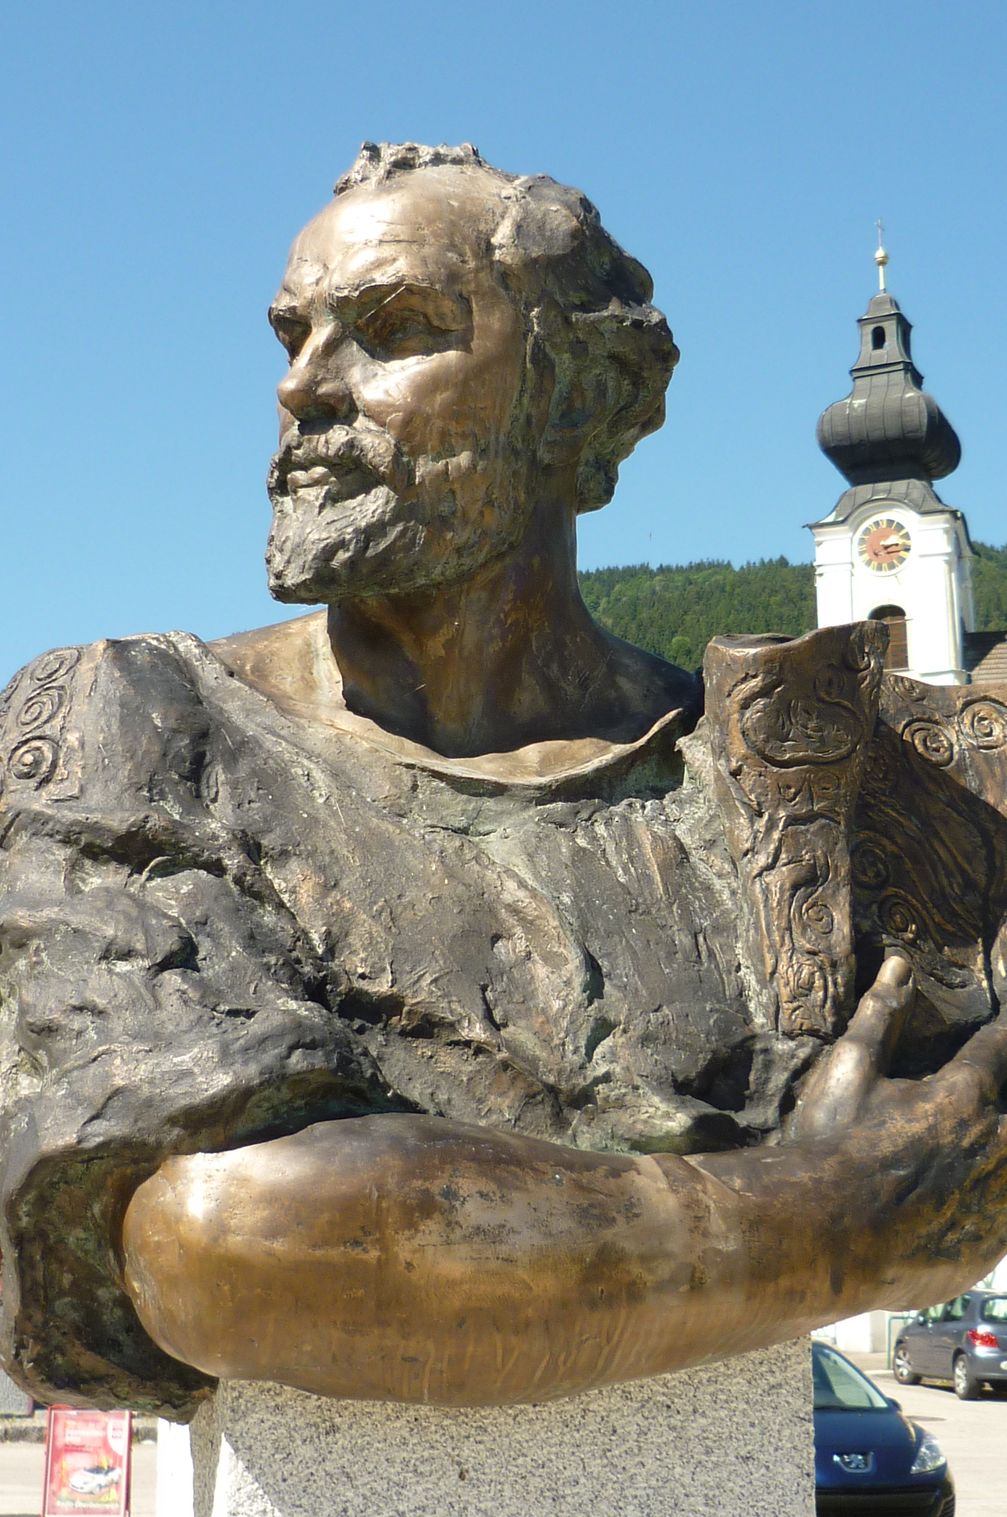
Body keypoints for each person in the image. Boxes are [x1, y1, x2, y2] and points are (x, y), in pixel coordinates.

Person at [2, 143, 1006, 1419]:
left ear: (577, 397)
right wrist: (837, 1217)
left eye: (392, 331)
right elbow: (228, 1240)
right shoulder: (128, 726)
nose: (304, 387)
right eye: (292, 335)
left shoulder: (802, 778)